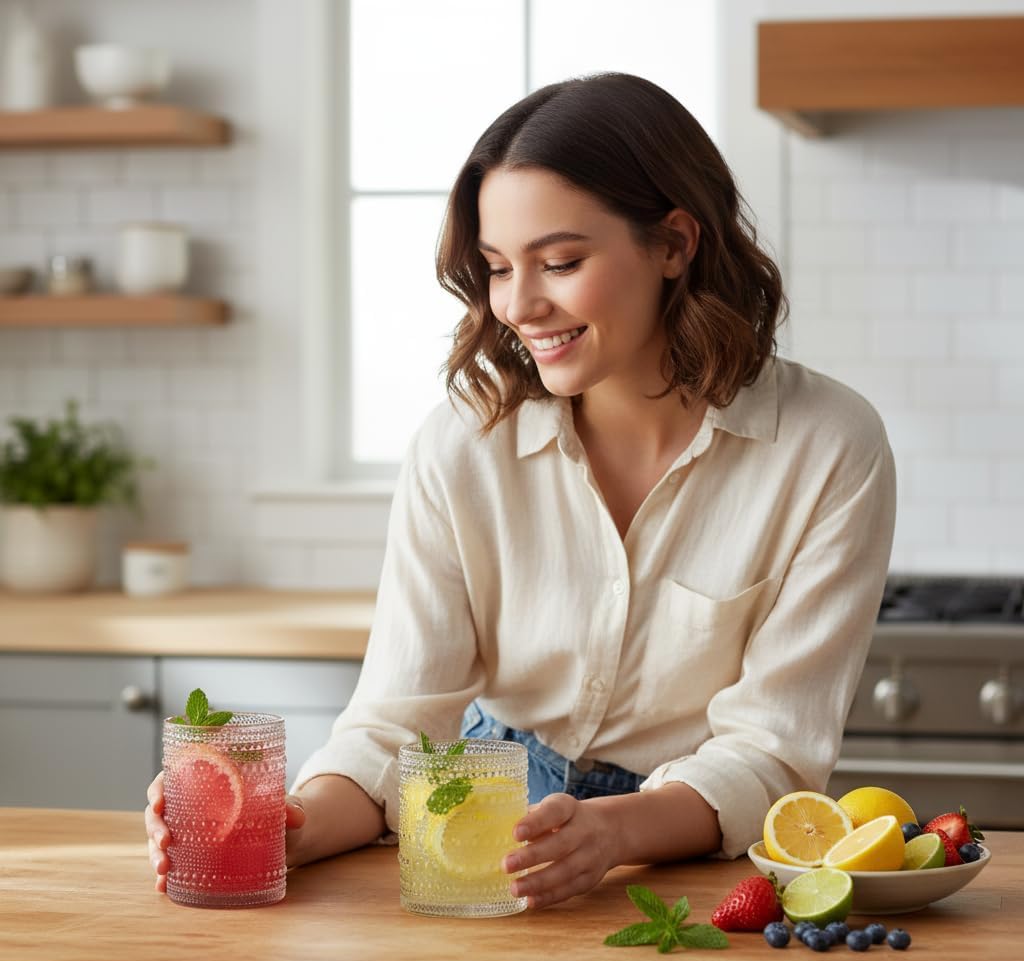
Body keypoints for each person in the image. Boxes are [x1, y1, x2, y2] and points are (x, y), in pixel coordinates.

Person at [146, 72, 896, 910]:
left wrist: (615, 829)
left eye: (562, 262)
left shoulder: (828, 444)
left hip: (683, 862)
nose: (521, 305)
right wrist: (292, 824)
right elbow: (398, 724)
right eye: (498, 268)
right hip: (480, 829)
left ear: (675, 244)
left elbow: (773, 748)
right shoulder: (463, 444)